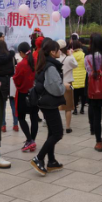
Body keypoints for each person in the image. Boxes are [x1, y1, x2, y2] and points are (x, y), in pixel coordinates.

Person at [30, 40, 66, 176]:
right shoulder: (50, 66)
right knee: (57, 133)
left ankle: (51, 161)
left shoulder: (45, 63)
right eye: (58, 49)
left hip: (45, 102)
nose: (60, 52)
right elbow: (56, 88)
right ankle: (39, 158)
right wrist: (65, 87)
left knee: (52, 132)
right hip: (49, 103)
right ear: (52, 52)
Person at [13, 42, 38, 152]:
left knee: (21, 117)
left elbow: (17, 80)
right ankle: (32, 139)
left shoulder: (21, 64)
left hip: (23, 94)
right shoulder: (36, 61)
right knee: (34, 117)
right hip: (35, 93)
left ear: (21, 53)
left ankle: (29, 140)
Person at [0, 40, 19, 132]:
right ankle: (15, 124)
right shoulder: (11, 56)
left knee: (2, 104)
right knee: (13, 103)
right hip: (11, 80)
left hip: (0, 80)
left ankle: (3, 125)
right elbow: (15, 66)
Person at [57, 39, 78, 133]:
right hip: (68, 84)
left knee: (56, 106)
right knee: (68, 107)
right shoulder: (69, 58)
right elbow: (75, 65)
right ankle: (68, 127)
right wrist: (71, 55)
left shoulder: (55, 59)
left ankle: (57, 126)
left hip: (57, 83)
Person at [72, 40, 87, 115]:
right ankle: (82, 109)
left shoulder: (71, 56)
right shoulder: (83, 54)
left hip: (74, 77)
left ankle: (75, 109)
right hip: (83, 76)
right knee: (83, 94)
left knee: (75, 95)